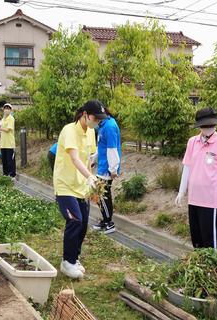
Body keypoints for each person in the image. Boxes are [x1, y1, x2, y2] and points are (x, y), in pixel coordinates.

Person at [53, 100, 107, 279]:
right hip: (65, 184)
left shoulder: (91, 132)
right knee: (75, 220)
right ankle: (67, 262)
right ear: (85, 114)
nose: (97, 122)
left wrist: (92, 186)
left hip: (81, 186)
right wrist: (90, 177)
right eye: (95, 118)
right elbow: (75, 159)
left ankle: (74, 258)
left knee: (83, 224)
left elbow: (88, 160)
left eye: (100, 119)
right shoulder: (69, 130)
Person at [175, 107, 217, 255]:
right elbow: (187, 167)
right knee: (197, 238)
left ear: (215, 125)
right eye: (204, 126)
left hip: (211, 200)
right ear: (199, 126)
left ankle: (216, 272)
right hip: (194, 198)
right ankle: (200, 270)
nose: (208, 129)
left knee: (211, 240)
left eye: (210, 125)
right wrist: (181, 192)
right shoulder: (192, 142)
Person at [91, 105, 121, 235]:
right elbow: (101, 147)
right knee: (101, 195)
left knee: (103, 195)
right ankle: (105, 220)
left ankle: (109, 223)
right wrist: (93, 159)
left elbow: (112, 148)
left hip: (107, 168)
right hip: (103, 166)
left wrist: (113, 169)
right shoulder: (103, 126)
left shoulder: (109, 127)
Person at [0, 103, 16, 178]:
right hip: (3, 143)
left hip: (10, 143)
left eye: (8, 108)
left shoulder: (11, 118)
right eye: (5, 108)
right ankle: (5, 174)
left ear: (10, 110)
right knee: (4, 160)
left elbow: (8, 129)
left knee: (10, 160)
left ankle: (12, 175)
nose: (6, 110)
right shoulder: (2, 119)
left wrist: (0, 128)